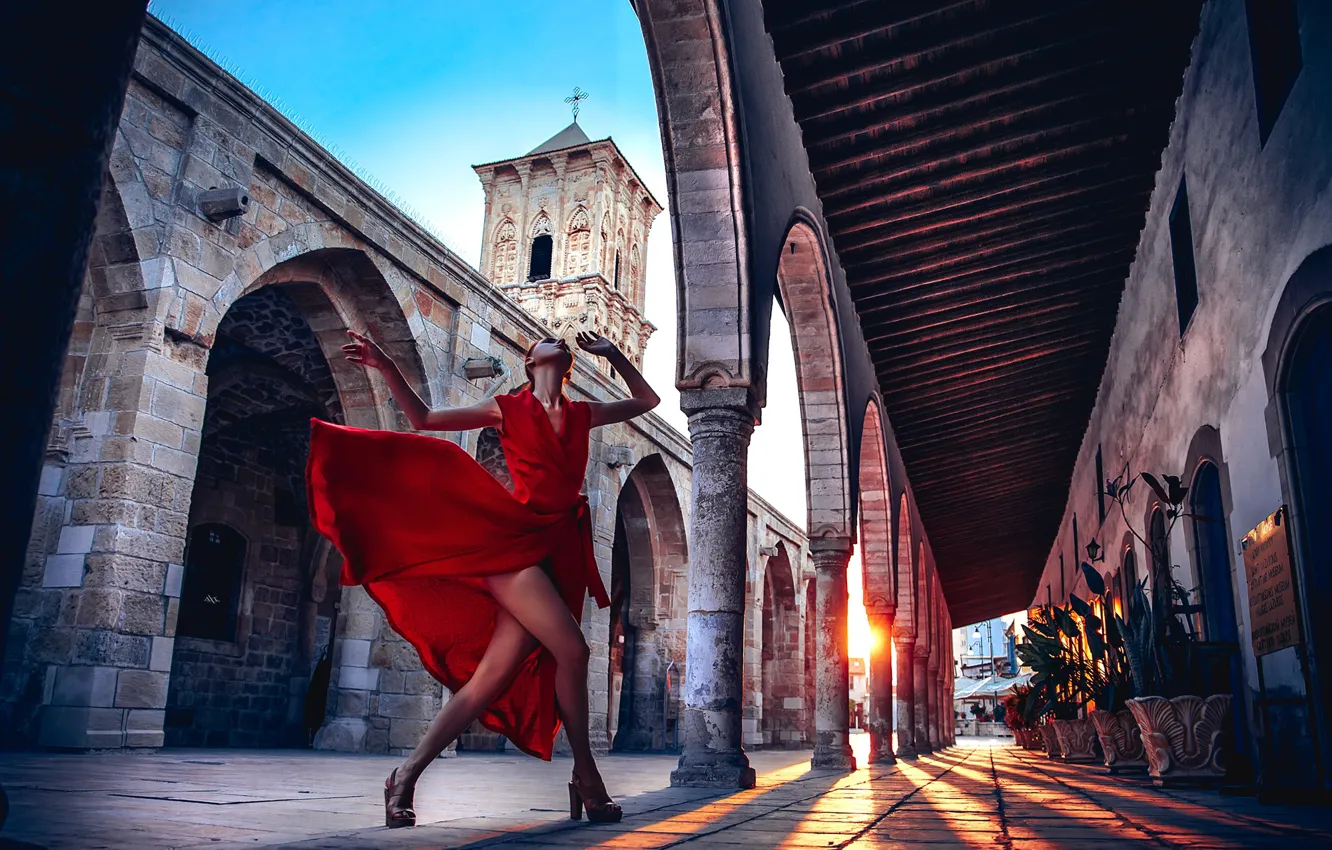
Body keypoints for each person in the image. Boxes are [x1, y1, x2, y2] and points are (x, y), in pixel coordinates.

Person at [306, 329, 659, 828]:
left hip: (561, 549)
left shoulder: (584, 414)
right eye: (543, 340)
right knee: (574, 651)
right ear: (529, 360)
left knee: (486, 683)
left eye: (559, 340)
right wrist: (386, 364)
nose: (555, 339)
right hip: (515, 545)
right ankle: (586, 776)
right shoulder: (506, 408)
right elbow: (423, 419)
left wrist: (616, 355)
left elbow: (648, 400)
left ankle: (404, 776)